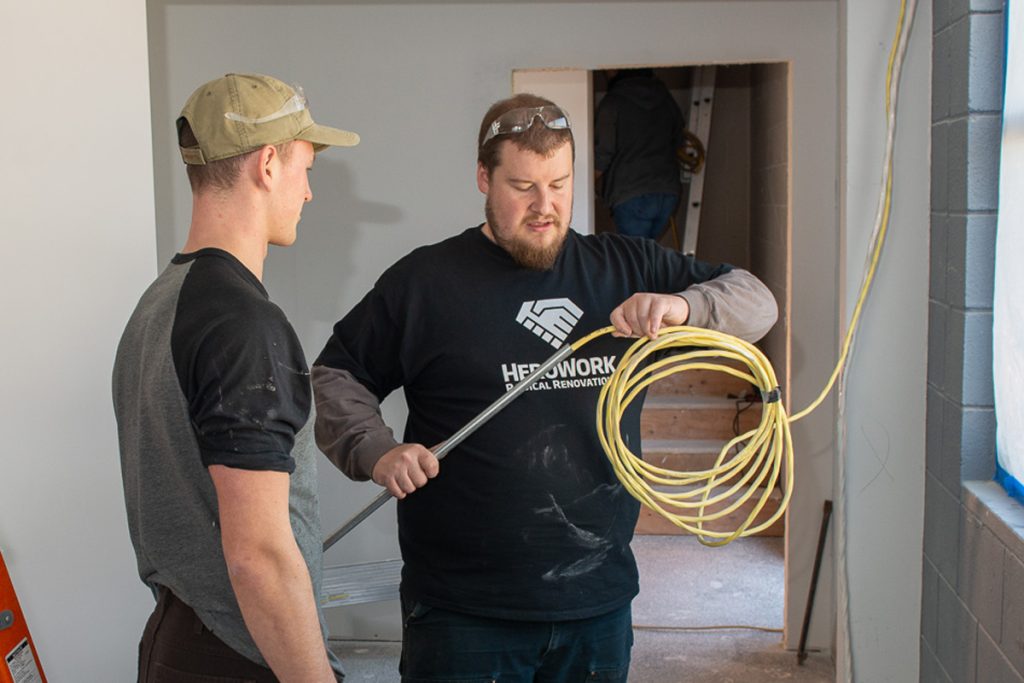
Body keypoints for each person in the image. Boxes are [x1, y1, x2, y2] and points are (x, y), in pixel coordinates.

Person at [312, 93, 777, 682]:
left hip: (598, 601)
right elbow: (336, 374)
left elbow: (757, 301)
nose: (545, 207)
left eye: (559, 184)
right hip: (464, 612)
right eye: (523, 186)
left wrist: (684, 306)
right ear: (483, 177)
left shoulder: (626, 266)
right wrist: (377, 451)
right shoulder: (426, 282)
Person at [112, 73, 359, 682]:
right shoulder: (242, 324)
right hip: (240, 655)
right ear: (269, 164)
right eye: (307, 167)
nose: (309, 193)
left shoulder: (158, 303)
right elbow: (260, 557)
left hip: (182, 636)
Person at [594, 68, 686, 240]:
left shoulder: (613, 102)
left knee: (634, 259)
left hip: (630, 193)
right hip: (667, 192)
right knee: (648, 256)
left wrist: (588, 185)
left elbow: (603, 153)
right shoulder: (665, 98)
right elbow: (678, 139)